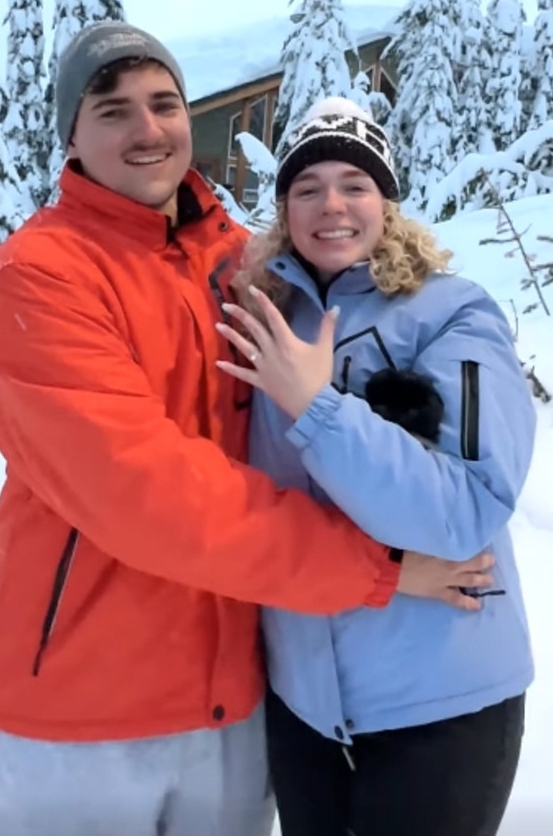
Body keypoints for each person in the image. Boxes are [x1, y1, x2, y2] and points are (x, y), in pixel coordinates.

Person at [0, 26, 495, 836]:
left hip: (233, 706)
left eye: (165, 104)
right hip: (80, 716)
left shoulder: (245, 263)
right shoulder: (41, 276)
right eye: (113, 110)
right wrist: (378, 569)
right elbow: (151, 494)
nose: (148, 130)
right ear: (71, 137)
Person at [219, 97, 536, 836]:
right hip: (303, 710)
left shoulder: (454, 313)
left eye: (355, 183)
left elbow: (465, 511)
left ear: (386, 203)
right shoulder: (265, 321)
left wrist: (318, 406)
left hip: (443, 705)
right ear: (284, 210)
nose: (332, 204)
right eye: (307, 187)